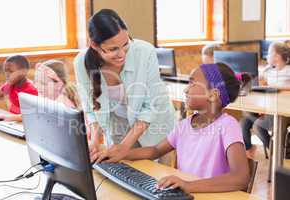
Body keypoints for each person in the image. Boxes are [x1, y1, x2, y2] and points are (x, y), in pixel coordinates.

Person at [97, 63, 249, 193]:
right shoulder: (184, 125)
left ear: (213, 95)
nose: (186, 90)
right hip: (189, 194)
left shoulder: (228, 126)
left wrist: (188, 186)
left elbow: (240, 178)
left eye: (192, 83)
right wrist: (122, 154)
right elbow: (155, 151)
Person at [74, 9, 175, 163]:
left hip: (155, 126)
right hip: (119, 128)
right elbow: (91, 108)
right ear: (94, 45)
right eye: (113, 49)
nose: (122, 54)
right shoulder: (81, 63)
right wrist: (95, 141)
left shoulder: (145, 52)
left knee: (156, 177)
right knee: (123, 176)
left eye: (125, 44)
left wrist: (124, 147)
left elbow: (150, 107)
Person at [241, 41, 290, 158]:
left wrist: (279, 88)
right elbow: (256, 82)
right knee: (244, 121)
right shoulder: (268, 71)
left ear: (277, 56)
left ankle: (279, 154)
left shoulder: (288, 71)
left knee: (258, 126)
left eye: (269, 53)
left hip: (283, 110)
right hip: (269, 108)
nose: (266, 56)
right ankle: (249, 149)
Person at [0, 55, 38, 121]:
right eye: (5, 71)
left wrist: (8, 117)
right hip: (11, 121)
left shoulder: (31, 90)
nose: (7, 75)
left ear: (23, 72)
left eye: (11, 71)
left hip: (25, 123)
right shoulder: (9, 85)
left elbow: (31, 115)